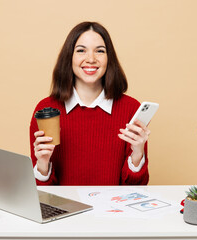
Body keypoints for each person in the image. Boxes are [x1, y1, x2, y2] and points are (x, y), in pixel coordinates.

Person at [29, 21, 150, 185]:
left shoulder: (130, 109)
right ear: (69, 57)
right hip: (65, 209)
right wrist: (42, 164)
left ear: (109, 59)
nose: (91, 59)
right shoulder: (46, 110)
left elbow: (137, 189)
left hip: (113, 210)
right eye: (81, 51)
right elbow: (42, 195)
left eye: (100, 51)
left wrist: (138, 154)